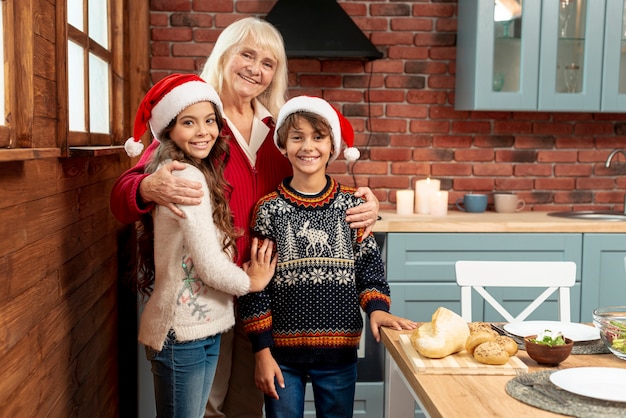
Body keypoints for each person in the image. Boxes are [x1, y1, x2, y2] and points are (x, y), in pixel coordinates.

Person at [110, 17, 380, 418]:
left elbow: (314, 186)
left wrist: (365, 206)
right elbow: (121, 198)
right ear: (224, 56)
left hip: (265, 296)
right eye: (247, 55)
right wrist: (147, 189)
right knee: (206, 406)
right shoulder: (198, 124)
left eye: (268, 63)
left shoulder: (279, 133)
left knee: (249, 406)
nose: (256, 69)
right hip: (206, 294)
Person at [238, 96, 417, 418]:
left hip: (339, 352)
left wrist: (377, 309)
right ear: (283, 146)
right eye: (297, 137)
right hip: (281, 356)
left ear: (332, 146)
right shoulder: (268, 210)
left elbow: (369, 268)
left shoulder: (352, 205)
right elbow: (256, 286)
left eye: (318, 137)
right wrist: (262, 352)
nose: (308, 146)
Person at [128, 73, 277, 418]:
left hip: (206, 324)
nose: (204, 131)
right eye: (189, 122)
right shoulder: (183, 175)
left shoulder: (200, 170)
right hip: (183, 330)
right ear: (169, 130)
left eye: (210, 121)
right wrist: (250, 282)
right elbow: (208, 263)